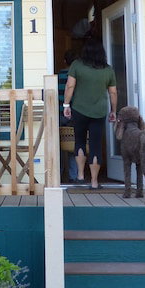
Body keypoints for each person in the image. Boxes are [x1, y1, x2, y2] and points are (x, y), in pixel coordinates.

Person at [62, 39, 117, 189]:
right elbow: (113, 92)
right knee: (95, 145)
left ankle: (80, 176)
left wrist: (66, 105)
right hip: (99, 112)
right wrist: (113, 111)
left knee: (79, 141)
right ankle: (94, 182)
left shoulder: (76, 65)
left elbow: (70, 85)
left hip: (79, 110)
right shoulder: (108, 70)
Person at [57, 50, 78, 182]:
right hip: (73, 114)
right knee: (73, 145)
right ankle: (73, 176)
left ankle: (57, 174)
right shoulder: (77, 77)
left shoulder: (58, 76)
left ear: (64, 61)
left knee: (57, 145)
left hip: (58, 114)